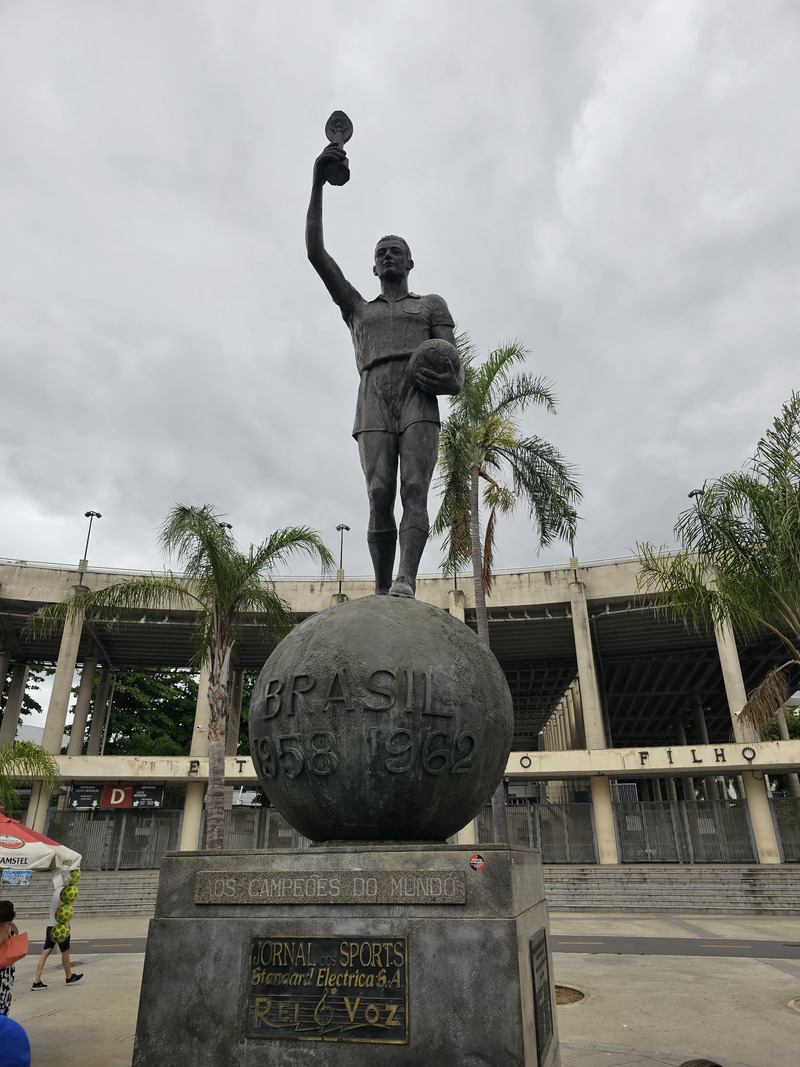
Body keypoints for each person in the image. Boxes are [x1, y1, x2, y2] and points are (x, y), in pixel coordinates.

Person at [306, 142, 463, 599]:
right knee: (378, 494)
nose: (390, 255)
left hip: (417, 395)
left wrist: (448, 380)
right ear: (373, 266)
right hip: (373, 393)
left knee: (414, 487)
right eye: (382, 252)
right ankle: (380, 589)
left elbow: (455, 370)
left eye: (397, 250)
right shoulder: (357, 308)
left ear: (410, 262)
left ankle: (406, 580)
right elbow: (316, 253)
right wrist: (317, 183)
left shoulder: (431, 305)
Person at [30, 874, 83, 990]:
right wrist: (67, 926)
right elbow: (64, 912)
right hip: (60, 928)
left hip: (51, 926)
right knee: (65, 951)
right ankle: (69, 977)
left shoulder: (56, 892)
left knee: (46, 952)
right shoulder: (64, 894)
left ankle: (37, 980)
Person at [0, 899, 20, 1015]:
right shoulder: (11, 926)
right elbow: (16, 933)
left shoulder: (2, 928)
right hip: (8, 969)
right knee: (5, 997)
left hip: (1, 968)